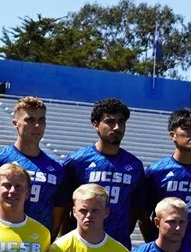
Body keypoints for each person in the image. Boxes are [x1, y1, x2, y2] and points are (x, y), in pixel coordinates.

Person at [139, 108, 191, 250]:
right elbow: (144, 217)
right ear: (173, 135)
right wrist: (156, 245)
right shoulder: (156, 171)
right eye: (186, 128)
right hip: (164, 251)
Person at [60, 96, 145, 228]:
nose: (117, 127)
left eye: (121, 121)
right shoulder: (77, 161)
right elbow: (64, 207)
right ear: (96, 125)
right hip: (83, 242)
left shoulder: (135, 165)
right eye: (110, 122)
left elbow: (136, 210)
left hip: (117, 243)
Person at [0, 94, 63, 229]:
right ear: (15, 123)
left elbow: (58, 216)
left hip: (39, 243)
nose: (37, 125)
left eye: (41, 120)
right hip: (2, 238)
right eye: (29, 120)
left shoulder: (57, 168)